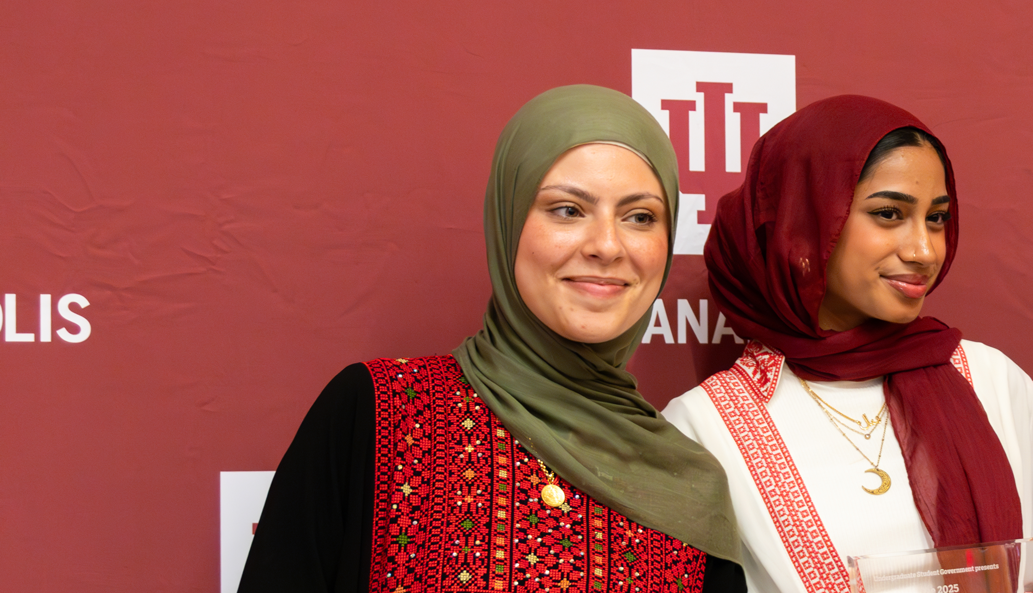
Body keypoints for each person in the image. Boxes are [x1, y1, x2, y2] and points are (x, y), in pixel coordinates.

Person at [238, 85, 744, 593]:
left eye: (640, 217)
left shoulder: (691, 487)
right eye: (568, 210)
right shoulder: (380, 414)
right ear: (508, 220)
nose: (607, 246)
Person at [661, 95, 1033, 593]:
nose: (924, 250)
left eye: (937, 218)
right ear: (801, 222)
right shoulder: (703, 427)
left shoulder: (997, 385)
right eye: (889, 214)